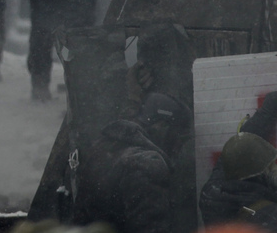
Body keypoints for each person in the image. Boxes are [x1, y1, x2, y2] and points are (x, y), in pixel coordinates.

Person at [73, 92, 192, 233]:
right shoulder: (146, 164)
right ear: (161, 126)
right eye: (179, 137)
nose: (178, 146)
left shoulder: (103, 149)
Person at [200, 91, 277, 230]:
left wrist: (267, 112)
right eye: (270, 166)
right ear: (261, 173)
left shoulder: (215, 193)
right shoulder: (266, 216)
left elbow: (239, 151)